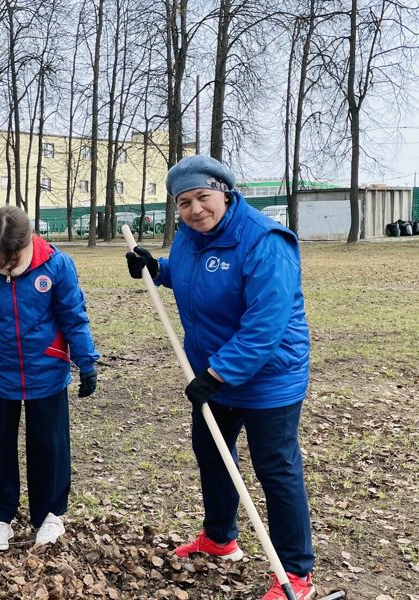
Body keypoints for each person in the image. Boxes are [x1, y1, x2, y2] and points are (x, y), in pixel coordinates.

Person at [125, 155, 315, 600]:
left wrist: (216, 374)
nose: (195, 210)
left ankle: (296, 573)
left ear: (224, 193)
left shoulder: (265, 241)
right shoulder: (192, 238)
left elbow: (264, 328)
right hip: (213, 373)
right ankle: (219, 538)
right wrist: (159, 270)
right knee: (212, 454)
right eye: (184, 202)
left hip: (268, 377)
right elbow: (195, 278)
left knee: (276, 469)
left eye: (203, 197)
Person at [0, 206, 99, 551]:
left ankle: (50, 515)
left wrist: (86, 360)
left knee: (50, 444)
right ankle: (1, 519)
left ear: (28, 242)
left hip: (45, 371)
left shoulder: (56, 265)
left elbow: (73, 316)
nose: (4, 266)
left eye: (11, 258)